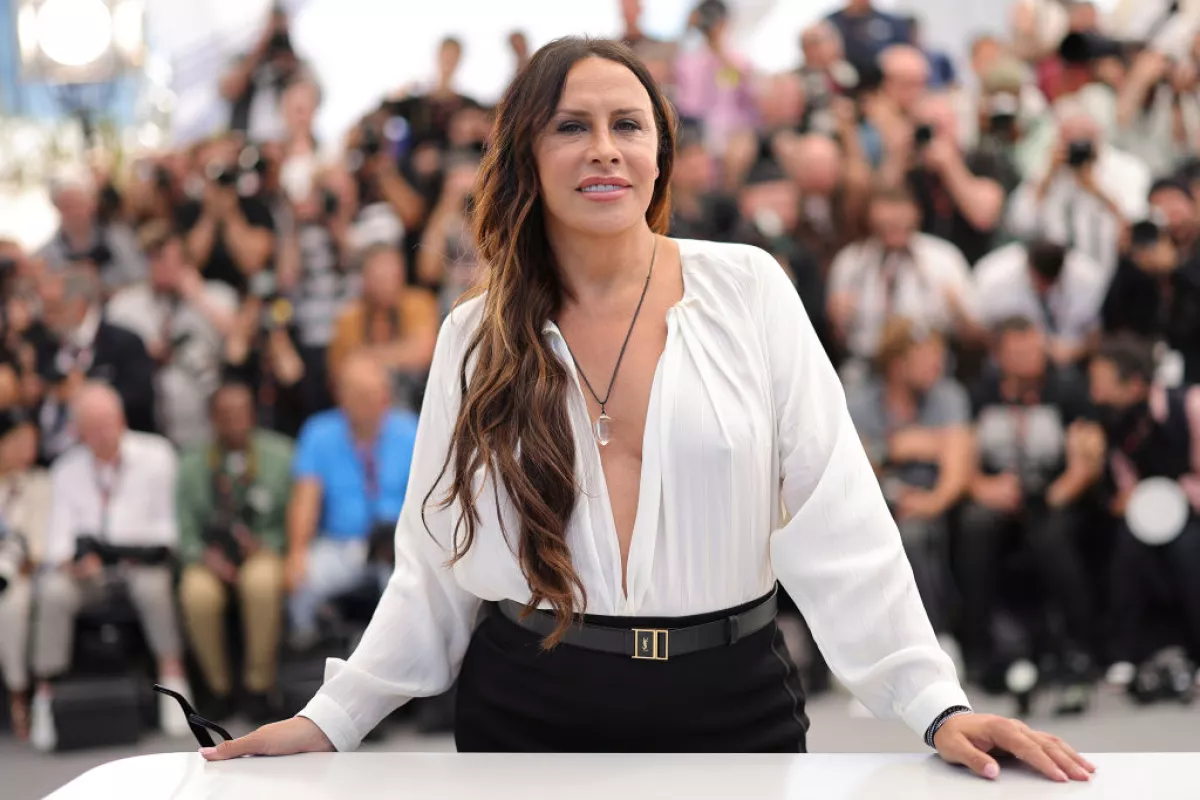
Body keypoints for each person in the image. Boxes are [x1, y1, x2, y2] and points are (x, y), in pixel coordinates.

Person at [204, 38, 1093, 784]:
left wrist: (935, 704)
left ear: (660, 152)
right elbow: (434, 564)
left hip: (732, 703)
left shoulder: (748, 289)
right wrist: (331, 718)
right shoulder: (474, 337)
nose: (604, 149)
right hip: (527, 710)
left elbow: (842, 516)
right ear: (525, 153)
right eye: (571, 127)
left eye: (627, 125)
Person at [29, 383, 188, 750]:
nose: (104, 433)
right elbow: (57, 542)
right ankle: (46, 695)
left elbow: (168, 530)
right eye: (93, 427)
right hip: (91, 573)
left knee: (153, 587)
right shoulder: (65, 470)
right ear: (78, 432)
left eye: (109, 422)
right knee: (52, 591)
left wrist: (120, 549)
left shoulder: (157, 455)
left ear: (122, 419)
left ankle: (174, 677)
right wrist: (75, 562)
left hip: (141, 564)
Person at [959, 318, 1102, 695]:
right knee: (974, 526)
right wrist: (984, 487)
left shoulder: (1066, 390)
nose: (1030, 358)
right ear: (999, 357)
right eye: (1019, 352)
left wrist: (1046, 497)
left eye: (1035, 350)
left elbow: (1086, 463)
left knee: (1049, 534)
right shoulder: (980, 394)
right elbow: (962, 455)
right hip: (997, 492)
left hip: (1055, 493)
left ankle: (1079, 647)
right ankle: (979, 650)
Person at [285, 351, 419, 651]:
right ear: (342, 396)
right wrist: (296, 552)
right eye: (364, 395)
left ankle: (398, 654)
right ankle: (310, 647)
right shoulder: (318, 433)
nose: (377, 401)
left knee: (406, 588)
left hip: (398, 545)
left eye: (380, 392)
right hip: (341, 544)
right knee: (302, 582)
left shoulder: (410, 430)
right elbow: (305, 499)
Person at [846, 319, 972, 638]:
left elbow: (957, 465)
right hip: (875, 506)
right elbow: (851, 466)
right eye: (927, 355)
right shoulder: (860, 402)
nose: (937, 363)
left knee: (914, 534)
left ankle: (934, 637)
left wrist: (931, 502)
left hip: (932, 502)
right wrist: (893, 449)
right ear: (897, 364)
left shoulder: (948, 395)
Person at [177, 381, 293, 722]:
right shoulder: (191, 464)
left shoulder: (281, 456)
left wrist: (267, 544)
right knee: (197, 593)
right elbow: (183, 529)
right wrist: (203, 555)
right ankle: (218, 689)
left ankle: (259, 687)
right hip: (209, 556)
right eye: (226, 414)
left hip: (263, 550)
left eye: (242, 412)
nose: (235, 421)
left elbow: (295, 518)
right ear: (212, 418)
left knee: (261, 584)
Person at [1088, 335, 1200, 687]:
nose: (1094, 393)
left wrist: (1180, 495)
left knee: (1187, 552)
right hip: (1147, 513)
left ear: (1134, 383)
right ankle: (1124, 653)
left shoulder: (1190, 405)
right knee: (1126, 549)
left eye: (1102, 383)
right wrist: (1129, 498)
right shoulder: (1112, 420)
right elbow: (1124, 476)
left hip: (1191, 507)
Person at [105, 223, 238, 447]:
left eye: (168, 260)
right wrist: (143, 352)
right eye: (154, 259)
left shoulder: (217, 295)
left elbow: (238, 340)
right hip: (146, 422)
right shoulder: (125, 305)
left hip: (205, 418)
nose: (161, 268)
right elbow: (110, 355)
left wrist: (197, 297)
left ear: (187, 262)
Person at [34, 267, 158, 461]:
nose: (48, 318)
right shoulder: (43, 345)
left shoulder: (124, 343)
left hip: (116, 455)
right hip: (54, 459)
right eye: (45, 309)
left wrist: (86, 396)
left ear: (79, 305)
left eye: (55, 308)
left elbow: (141, 397)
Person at [326, 244, 439, 411]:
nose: (388, 284)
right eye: (380, 277)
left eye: (393, 275)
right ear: (365, 279)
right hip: (363, 405)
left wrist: (368, 357)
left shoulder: (419, 303)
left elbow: (424, 353)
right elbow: (340, 371)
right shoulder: (349, 317)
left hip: (416, 401)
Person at [974, 239, 1107, 368]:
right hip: (1009, 359)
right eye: (1039, 280)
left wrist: (1075, 351)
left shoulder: (1089, 278)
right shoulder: (994, 276)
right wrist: (1023, 347)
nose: (1043, 288)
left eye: (1049, 283)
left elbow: (1098, 336)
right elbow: (979, 331)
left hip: (1072, 362)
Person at [0, 410, 50, 741]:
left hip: (22, 572)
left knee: (12, 604)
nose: (26, 450)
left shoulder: (39, 483)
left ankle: (18, 693)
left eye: (32, 442)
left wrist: (25, 559)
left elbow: (39, 542)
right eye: (18, 442)